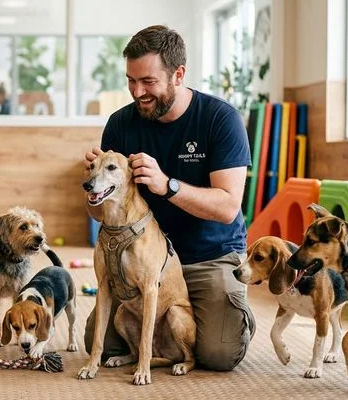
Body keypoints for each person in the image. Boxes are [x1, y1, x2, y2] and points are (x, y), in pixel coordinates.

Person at [83, 25, 254, 372]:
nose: (137, 91)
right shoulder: (121, 124)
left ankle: (235, 315)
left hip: (209, 257)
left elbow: (227, 207)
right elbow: (101, 216)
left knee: (219, 354)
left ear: (178, 74)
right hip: (140, 256)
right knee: (98, 344)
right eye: (131, 81)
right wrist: (93, 188)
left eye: (148, 81)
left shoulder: (221, 119)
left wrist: (167, 185)